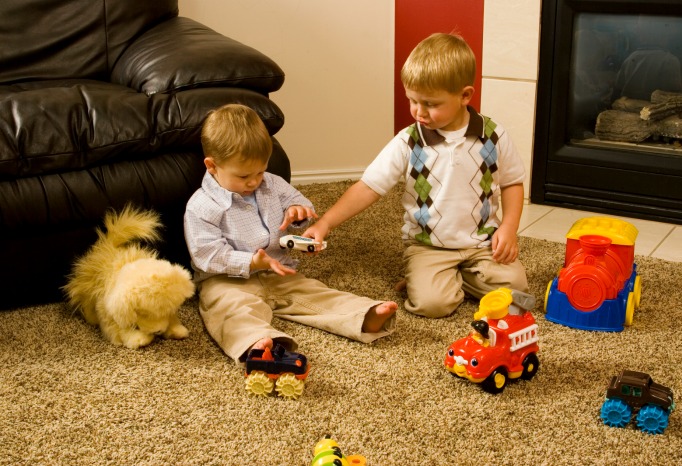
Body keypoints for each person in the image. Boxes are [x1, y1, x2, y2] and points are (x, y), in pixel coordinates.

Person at [304, 33, 528, 319]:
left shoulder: (493, 135)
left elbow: (512, 183)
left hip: (482, 243)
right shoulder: (408, 141)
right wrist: (326, 223)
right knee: (433, 306)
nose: (419, 112)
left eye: (431, 104)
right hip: (428, 246)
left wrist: (508, 228)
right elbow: (368, 187)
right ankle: (431, 279)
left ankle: (443, 280)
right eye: (412, 100)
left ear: (465, 95)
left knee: (517, 291)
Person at [184, 104, 397, 362]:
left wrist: (298, 212)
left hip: (279, 269)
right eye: (243, 176)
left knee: (313, 292)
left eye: (259, 172)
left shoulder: (272, 184)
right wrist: (250, 262)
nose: (254, 182)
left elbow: (299, 203)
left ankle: (362, 316)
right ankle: (258, 342)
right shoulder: (202, 206)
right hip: (226, 280)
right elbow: (206, 254)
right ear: (212, 166)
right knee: (230, 309)